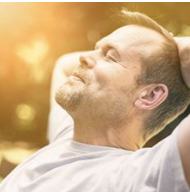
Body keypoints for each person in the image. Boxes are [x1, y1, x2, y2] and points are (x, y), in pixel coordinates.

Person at [0, 10, 190, 192]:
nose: (83, 57)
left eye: (110, 56)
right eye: (96, 49)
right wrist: (169, 45)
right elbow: (64, 65)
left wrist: (180, 49)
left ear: (150, 95)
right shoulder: (67, 136)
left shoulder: (135, 178)